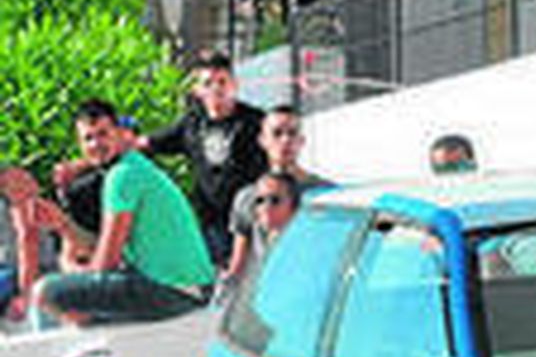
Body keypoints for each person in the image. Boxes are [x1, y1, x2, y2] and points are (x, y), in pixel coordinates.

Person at [32, 100, 215, 326]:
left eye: (103, 134)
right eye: (88, 138)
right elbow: (103, 250)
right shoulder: (132, 167)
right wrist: (62, 225)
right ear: (80, 145)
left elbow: (104, 265)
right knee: (75, 303)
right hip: (187, 290)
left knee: (44, 292)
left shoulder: (122, 176)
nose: (96, 144)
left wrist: (71, 268)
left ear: (118, 134)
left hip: (175, 292)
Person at [133, 50, 268, 268]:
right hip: (210, 224)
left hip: (249, 223)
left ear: (234, 84)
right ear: (197, 90)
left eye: (222, 82)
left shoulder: (255, 122)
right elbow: (147, 143)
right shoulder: (192, 124)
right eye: (208, 83)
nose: (216, 89)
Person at [220, 105, 330, 285]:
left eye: (292, 133)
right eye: (277, 133)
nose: (285, 140)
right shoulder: (247, 197)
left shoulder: (324, 195)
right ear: (262, 140)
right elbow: (238, 265)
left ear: (301, 141)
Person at [1, 166, 94, 323]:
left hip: (31, 273)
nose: (22, 187)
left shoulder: (31, 208)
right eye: (14, 184)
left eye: (25, 181)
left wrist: (26, 295)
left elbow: (29, 244)